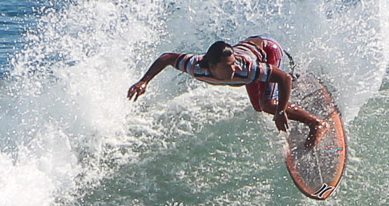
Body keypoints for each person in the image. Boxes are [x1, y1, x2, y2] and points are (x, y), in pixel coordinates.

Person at [127, 36, 327, 147]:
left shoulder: (247, 68)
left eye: (233, 64)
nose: (233, 69)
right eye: (227, 66)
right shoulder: (195, 66)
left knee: (269, 104)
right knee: (259, 106)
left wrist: (281, 111)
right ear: (212, 66)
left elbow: (283, 77)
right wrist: (144, 81)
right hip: (251, 49)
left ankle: (316, 123)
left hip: (268, 50)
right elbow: (167, 57)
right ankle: (294, 91)